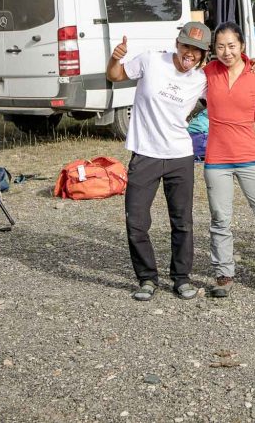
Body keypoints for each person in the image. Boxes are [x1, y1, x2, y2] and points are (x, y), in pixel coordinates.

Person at [107, 22, 211, 302]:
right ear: (178, 43)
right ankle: (147, 278)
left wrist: (253, 65)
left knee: (183, 222)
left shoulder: (201, 79)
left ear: (203, 55)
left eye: (198, 50)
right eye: (187, 45)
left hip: (180, 155)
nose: (191, 53)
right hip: (145, 154)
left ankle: (181, 278)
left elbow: (232, 84)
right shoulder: (152, 60)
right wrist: (116, 57)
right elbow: (115, 75)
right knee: (136, 221)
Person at [203, 22, 255, 296]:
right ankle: (223, 274)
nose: (226, 52)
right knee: (220, 219)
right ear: (213, 49)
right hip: (217, 159)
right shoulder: (207, 73)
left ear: (242, 46)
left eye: (232, 46)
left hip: (250, 157)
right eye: (220, 47)